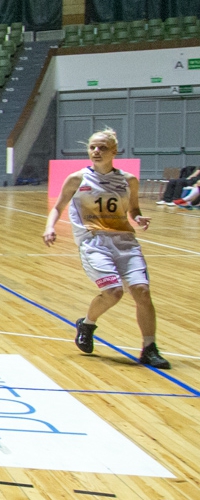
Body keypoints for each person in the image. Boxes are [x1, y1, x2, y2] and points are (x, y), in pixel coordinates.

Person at [44, 129, 170, 369]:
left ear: (114, 151)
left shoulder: (128, 180)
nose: (96, 151)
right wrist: (49, 227)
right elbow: (58, 206)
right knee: (113, 292)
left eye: (102, 147)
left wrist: (139, 218)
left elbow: (133, 209)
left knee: (142, 291)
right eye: (92, 147)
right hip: (94, 243)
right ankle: (88, 323)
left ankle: (150, 347)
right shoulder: (77, 178)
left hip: (125, 241)